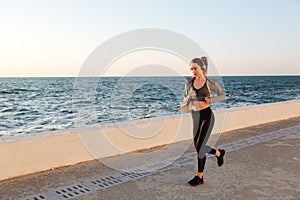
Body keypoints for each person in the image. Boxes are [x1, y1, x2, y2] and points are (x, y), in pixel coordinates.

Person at [181, 56, 226, 186]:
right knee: (198, 147)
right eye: (191, 69)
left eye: (195, 68)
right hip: (195, 116)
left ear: (201, 68)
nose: (193, 71)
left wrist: (212, 100)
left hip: (207, 116)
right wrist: (189, 96)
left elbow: (222, 95)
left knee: (201, 148)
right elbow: (184, 101)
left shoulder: (209, 83)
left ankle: (199, 176)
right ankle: (218, 153)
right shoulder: (189, 83)